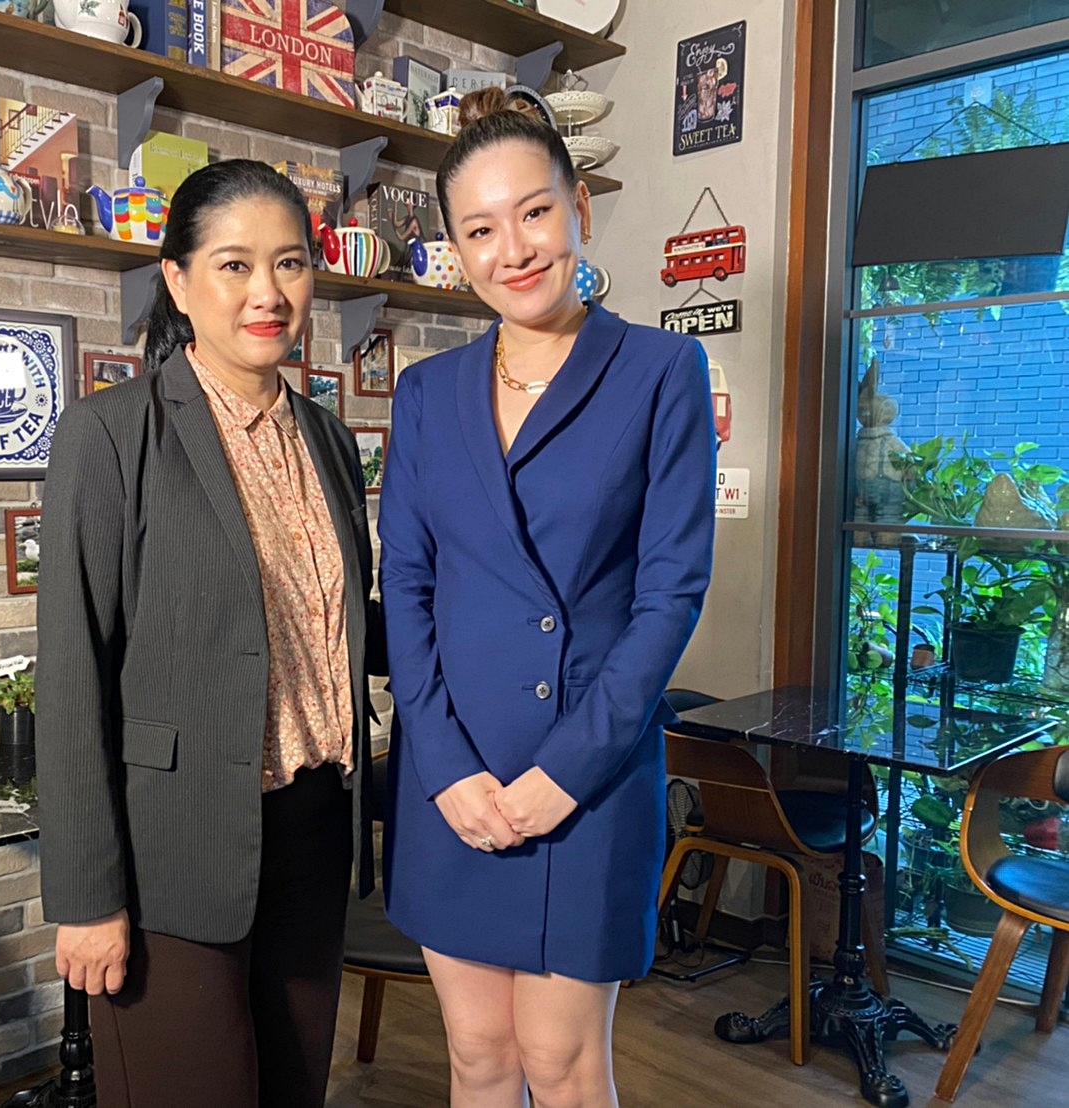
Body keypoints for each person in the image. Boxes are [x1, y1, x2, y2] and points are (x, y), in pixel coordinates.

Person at [379, 87, 716, 1108]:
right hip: (454, 777)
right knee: (478, 1056)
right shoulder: (426, 391)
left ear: (579, 208)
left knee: (563, 1066)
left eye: (533, 212)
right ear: (455, 248)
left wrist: (561, 777)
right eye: (480, 229)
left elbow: (669, 593)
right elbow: (406, 583)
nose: (513, 249)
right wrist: (443, 768)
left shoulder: (660, 368)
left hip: (588, 775)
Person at [35, 159, 382, 1108]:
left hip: (314, 830)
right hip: (173, 844)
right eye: (234, 265)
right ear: (179, 282)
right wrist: (87, 898)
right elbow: (71, 675)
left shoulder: (328, 438)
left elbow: (334, 623)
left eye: (290, 263)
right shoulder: (110, 435)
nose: (268, 293)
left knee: (294, 1092)